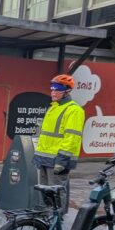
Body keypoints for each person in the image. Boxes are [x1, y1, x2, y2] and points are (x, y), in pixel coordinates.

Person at [33, 74, 85, 213]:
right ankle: (47, 216)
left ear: (67, 91)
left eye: (58, 88)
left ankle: (57, 220)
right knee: (45, 189)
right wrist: (38, 156)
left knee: (57, 191)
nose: (53, 92)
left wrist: (61, 161)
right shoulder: (53, 108)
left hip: (57, 159)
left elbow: (72, 138)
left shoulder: (74, 110)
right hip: (45, 157)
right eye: (52, 88)